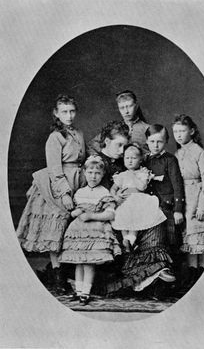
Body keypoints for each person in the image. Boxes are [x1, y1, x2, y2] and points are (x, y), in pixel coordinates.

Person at [91, 121, 176, 298]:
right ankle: (135, 277)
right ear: (106, 142)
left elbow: (143, 185)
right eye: (119, 146)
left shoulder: (137, 165)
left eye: (125, 147)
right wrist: (113, 199)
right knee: (119, 229)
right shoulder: (97, 164)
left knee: (156, 228)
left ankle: (158, 277)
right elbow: (97, 191)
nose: (124, 153)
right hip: (113, 211)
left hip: (140, 207)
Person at [16, 94, 86, 293]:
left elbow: (84, 155)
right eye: (64, 112)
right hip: (58, 185)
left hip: (77, 181)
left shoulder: (79, 132)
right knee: (56, 232)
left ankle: (69, 273)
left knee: (70, 232)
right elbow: (55, 168)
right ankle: (58, 277)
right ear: (56, 113)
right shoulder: (55, 137)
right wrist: (64, 193)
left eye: (72, 111)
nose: (69, 115)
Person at [59, 155, 121, 305]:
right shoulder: (80, 192)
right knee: (78, 262)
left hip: (96, 231)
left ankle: (86, 293)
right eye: (90, 172)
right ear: (84, 173)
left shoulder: (104, 193)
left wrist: (91, 215)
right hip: (79, 231)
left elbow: (110, 214)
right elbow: (74, 212)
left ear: (103, 174)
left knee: (89, 262)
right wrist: (76, 213)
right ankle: (78, 291)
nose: (93, 176)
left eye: (98, 173)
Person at [172, 114, 204, 288]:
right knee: (191, 240)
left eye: (182, 130)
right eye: (175, 131)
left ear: (191, 131)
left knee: (203, 242)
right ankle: (192, 274)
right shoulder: (177, 154)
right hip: (185, 199)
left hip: (199, 198)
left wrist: (203, 206)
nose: (178, 135)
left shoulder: (200, 153)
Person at [144, 124, 185, 280]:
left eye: (159, 142)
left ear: (166, 141)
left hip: (167, 208)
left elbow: (177, 185)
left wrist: (178, 209)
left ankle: (173, 282)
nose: (155, 145)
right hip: (150, 208)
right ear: (147, 141)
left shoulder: (170, 160)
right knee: (153, 244)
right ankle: (153, 281)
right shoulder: (145, 159)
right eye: (152, 141)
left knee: (170, 242)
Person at [111, 143, 167, 252]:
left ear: (140, 159)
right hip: (124, 200)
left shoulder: (142, 172)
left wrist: (133, 174)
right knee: (123, 218)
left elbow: (142, 187)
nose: (130, 161)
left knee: (135, 220)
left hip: (137, 199)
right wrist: (115, 195)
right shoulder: (121, 175)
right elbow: (113, 189)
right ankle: (125, 240)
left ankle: (131, 239)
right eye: (127, 158)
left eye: (133, 158)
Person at [88, 90, 149, 154]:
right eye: (122, 108)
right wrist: (99, 155)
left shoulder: (147, 128)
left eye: (129, 106)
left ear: (136, 106)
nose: (126, 111)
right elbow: (91, 145)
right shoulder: (115, 127)